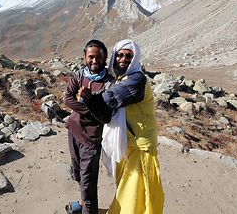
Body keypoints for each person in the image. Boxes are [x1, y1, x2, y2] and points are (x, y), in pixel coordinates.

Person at [78, 39, 164, 214]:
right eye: (120, 55)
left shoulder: (136, 79)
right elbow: (106, 114)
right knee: (127, 189)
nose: (123, 59)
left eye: (129, 56)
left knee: (135, 194)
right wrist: (90, 100)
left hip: (141, 146)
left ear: (135, 59)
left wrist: (89, 97)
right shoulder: (121, 78)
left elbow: (110, 98)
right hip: (128, 143)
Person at [63, 39, 115, 214]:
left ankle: (89, 208)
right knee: (78, 174)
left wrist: (89, 101)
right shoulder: (79, 75)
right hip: (73, 131)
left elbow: (106, 116)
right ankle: (86, 204)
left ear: (105, 58)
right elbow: (67, 99)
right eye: (91, 57)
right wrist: (92, 109)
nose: (95, 61)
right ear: (85, 56)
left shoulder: (110, 83)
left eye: (99, 57)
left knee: (87, 182)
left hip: (91, 140)